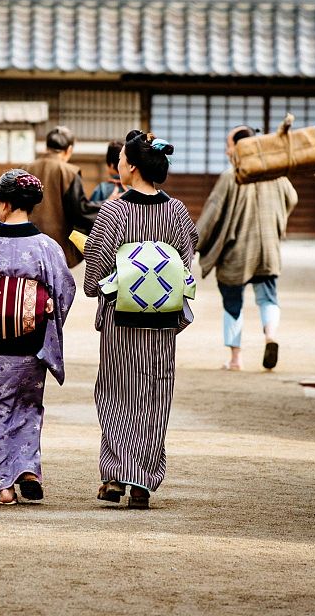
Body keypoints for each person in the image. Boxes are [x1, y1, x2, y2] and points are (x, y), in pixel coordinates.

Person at [83, 131, 198, 509]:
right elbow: (186, 261)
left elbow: (94, 274)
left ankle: (117, 472)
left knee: (116, 392)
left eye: (120, 160)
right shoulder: (177, 211)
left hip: (121, 319)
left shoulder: (113, 212)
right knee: (154, 393)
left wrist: (102, 287)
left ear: (130, 166)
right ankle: (143, 481)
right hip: (163, 319)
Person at [0, 169, 75, 505]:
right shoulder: (47, 247)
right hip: (31, 345)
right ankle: (26, 467)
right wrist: (45, 318)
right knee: (27, 406)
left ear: (4, 204)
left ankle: (3, 485)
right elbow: (64, 291)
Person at [196, 125, 298, 372]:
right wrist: (276, 223)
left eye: (228, 144)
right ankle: (270, 336)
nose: (226, 149)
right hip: (267, 250)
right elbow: (292, 198)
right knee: (268, 297)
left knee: (233, 302)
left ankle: (236, 358)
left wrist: (193, 241)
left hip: (236, 252)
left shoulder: (232, 175)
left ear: (240, 147)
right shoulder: (275, 174)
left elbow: (212, 214)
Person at [25, 126, 101, 267]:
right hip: (56, 246)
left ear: (46, 147)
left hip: (25, 245)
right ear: (69, 150)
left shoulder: (25, 169)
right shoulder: (69, 172)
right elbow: (80, 211)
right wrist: (108, 205)